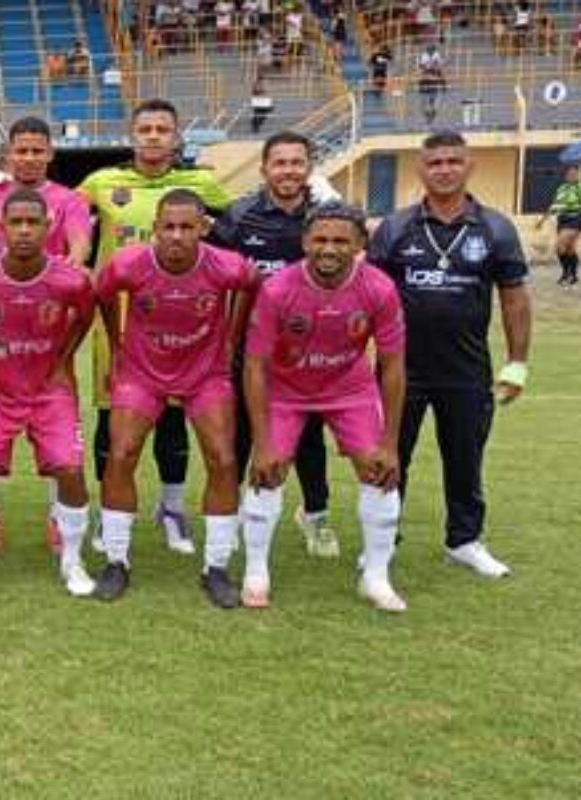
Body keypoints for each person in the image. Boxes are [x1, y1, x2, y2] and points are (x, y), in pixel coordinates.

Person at [367, 130, 533, 579]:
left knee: (465, 458)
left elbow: (514, 298)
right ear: (421, 169)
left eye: (452, 161)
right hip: (399, 368)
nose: (444, 169)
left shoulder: (495, 228)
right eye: (435, 162)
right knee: (388, 457)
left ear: (469, 166)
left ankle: (464, 541)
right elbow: (369, 296)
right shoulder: (395, 228)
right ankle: (383, 540)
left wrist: (517, 363)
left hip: (465, 370)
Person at [78, 99, 234, 558]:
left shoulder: (201, 184)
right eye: (144, 128)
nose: (152, 136)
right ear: (131, 135)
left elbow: (240, 229)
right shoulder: (103, 183)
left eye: (162, 129)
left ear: (177, 136)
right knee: (112, 422)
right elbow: (54, 214)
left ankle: (171, 509)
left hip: (189, 327)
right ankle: (110, 519)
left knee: (174, 420)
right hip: (121, 326)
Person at [242, 202, 409, 612]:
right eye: (320, 239)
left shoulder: (379, 288)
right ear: (304, 242)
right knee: (268, 470)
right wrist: (262, 442)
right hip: (286, 389)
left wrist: (390, 442)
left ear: (359, 245)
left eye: (340, 241)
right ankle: (256, 572)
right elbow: (255, 365)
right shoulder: (278, 288)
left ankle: (376, 576)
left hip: (349, 388)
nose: (329, 249)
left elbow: (392, 365)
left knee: (379, 470)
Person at [92, 189, 256, 607]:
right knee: (122, 453)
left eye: (187, 227)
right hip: (142, 372)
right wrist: (117, 344)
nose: (178, 236)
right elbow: (102, 294)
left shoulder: (226, 266)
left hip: (205, 373)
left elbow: (250, 285)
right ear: (155, 229)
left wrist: (232, 339)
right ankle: (116, 560)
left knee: (223, 457)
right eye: (169, 227)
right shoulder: (129, 263)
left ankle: (216, 567)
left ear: (203, 228)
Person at [0, 188, 97, 597]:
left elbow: (85, 317)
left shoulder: (70, 279)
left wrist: (64, 361)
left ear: (50, 228)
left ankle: (72, 559)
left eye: (34, 222)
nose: (26, 230)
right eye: (17, 222)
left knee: (69, 470)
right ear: (1, 227)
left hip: (49, 390)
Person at [0, 115, 96, 552]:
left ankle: (61, 517)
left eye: (38, 150)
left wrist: (74, 268)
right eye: (22, 150)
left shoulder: (67, 200)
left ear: (51, 154)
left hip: (48, 333)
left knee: (59, 429)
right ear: (9, 154)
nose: (29, 158)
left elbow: (79, 243)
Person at [210, 131, 338, 558]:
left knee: (309, 440)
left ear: (309, 167)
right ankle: (233, 519)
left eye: (297, 162)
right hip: (249, 353)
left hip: (310, 353)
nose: (288, 170)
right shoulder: (239, 217)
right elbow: (212, 278)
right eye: (279, 163)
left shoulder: (325, 218)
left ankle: (315, 516)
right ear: (264, 169)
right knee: (240, 437)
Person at [535, 165, 581, 286]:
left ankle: (566, 274)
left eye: (575, 173)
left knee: (559, 245)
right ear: (566, 175)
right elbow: (554, 205)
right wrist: (542, 220)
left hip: (576, 219)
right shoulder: (562, 188)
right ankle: (572, 275)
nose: (572, 176)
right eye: (570, 174)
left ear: (578, 175)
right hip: (562, 219)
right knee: (569, 249)